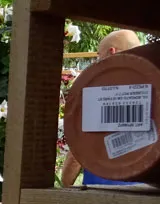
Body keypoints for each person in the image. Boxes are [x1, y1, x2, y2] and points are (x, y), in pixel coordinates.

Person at [60, 30, 143, 187]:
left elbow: (79, 152)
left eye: (99, 56)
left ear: (111, 53)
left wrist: (65, 187)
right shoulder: (152, 89)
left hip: (99, 195)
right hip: (144, 197)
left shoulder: (98, 94)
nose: (97, 62)